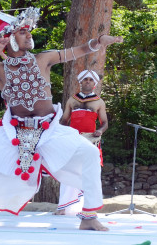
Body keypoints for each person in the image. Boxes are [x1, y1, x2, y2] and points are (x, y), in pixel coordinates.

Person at [0, 7, 123, 231]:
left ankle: (89, 216)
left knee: (90, 154)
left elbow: (79, 50)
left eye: (29, 31)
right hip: (12, 133)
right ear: (8, 38)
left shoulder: (44, 59)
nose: (29, 35)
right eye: (22, 32)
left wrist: (99, 41)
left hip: (50, 130)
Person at [56, 69, 108, 215]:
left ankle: (88, 209)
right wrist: (61, 134)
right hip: (72, 140)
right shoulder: (72, 100)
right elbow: (64, 121)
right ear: (80, 82)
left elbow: (105, 123)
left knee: (89, 173)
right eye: (85, 79)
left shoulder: (99, 102)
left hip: (90, 140)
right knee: (68, 171)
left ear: (94, 83)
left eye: (91, 80)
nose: (88, 82)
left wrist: (100, 131)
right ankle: (63, 208)